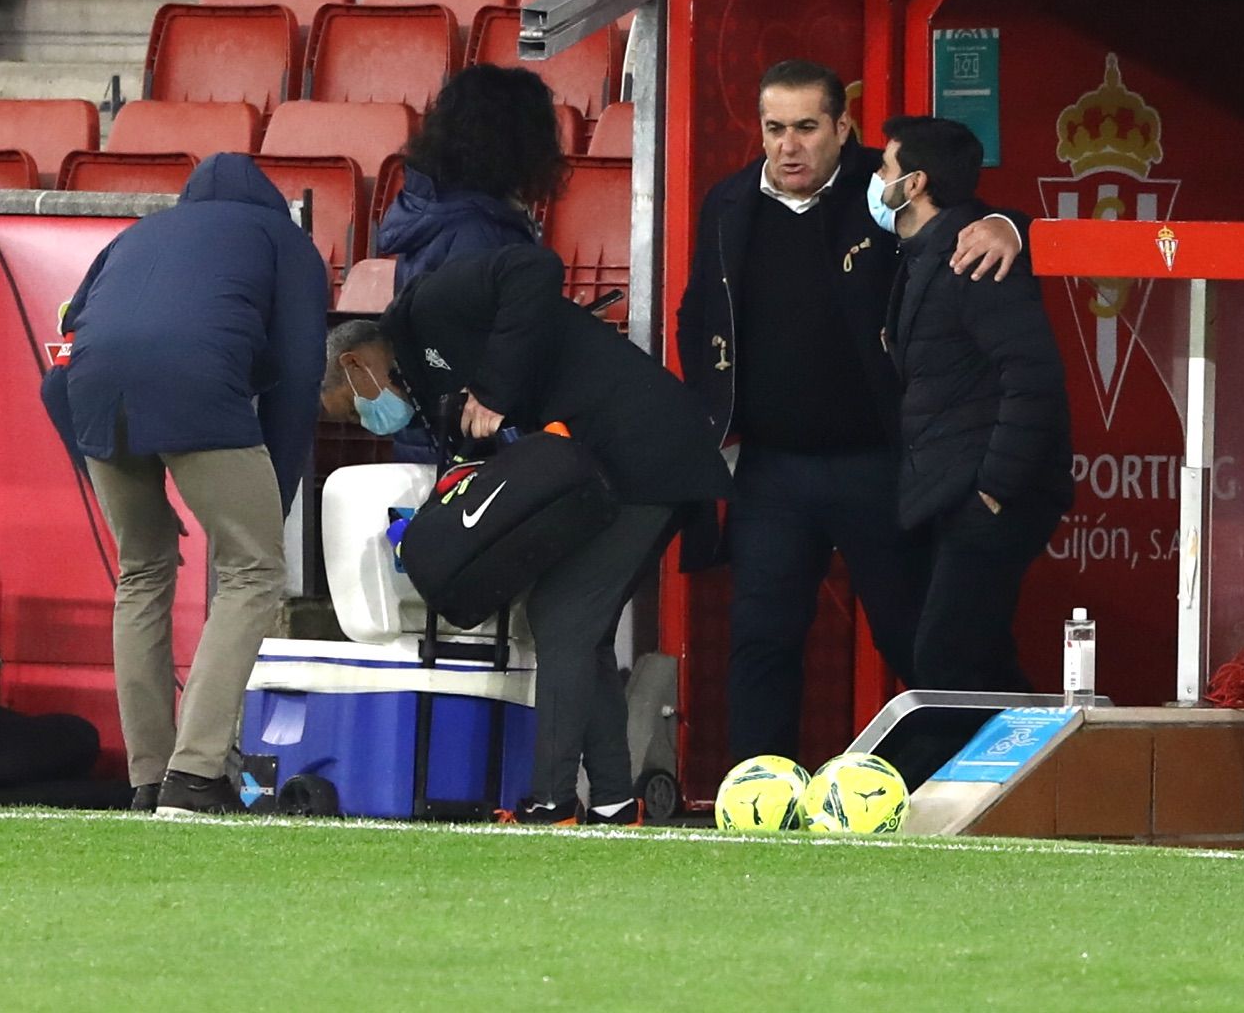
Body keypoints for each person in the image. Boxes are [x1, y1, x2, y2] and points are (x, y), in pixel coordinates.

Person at [675, 59, 1027, 765]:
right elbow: (699, 312)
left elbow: (983, 216)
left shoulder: (889, 185)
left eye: (807, 127)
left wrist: (1004, 227)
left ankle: (973, 788)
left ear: (842, 126)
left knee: (918, 639)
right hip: (772, 468)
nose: (788, 147)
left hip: (882, 461)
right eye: (774, 129)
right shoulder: (729, 201)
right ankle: (759, 794)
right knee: (761, 637)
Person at [320, 244, 731, 825]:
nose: (367, 420)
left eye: (353, 406)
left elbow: (531, 268)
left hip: (646, 450)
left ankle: (553, 800)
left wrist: (493, 388)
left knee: (562, 617)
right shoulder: (432, 394)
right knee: (580, 627)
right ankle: (614, 801)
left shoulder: (427, 309)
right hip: (605, 473)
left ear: (357, 364)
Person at [42, 153, 327, 818]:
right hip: (198, 389)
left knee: (141, 573)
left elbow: (61, 372)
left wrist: (96, 461)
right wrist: (275, 499)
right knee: (253, 573)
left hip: (93, 400)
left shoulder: (133, 237)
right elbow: (296, 373)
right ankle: (195, 776)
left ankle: (147, 779)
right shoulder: (284, 241)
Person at [871, 115, 1073, 782]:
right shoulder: (927, 250)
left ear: (914, 182)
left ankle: (907, 793)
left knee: (945, 659)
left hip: (987, 494)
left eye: (883, 168)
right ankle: (1058, 767)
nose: (875, 180)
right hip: (944, 489)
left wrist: (993, 487)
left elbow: (1033, 376)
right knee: (973, 656)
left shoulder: (976, 257)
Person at [374, 64, 569, 462]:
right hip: (468, 445)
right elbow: (478, 346)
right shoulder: (481, 232)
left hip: (432, 437)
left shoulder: (433, 214)